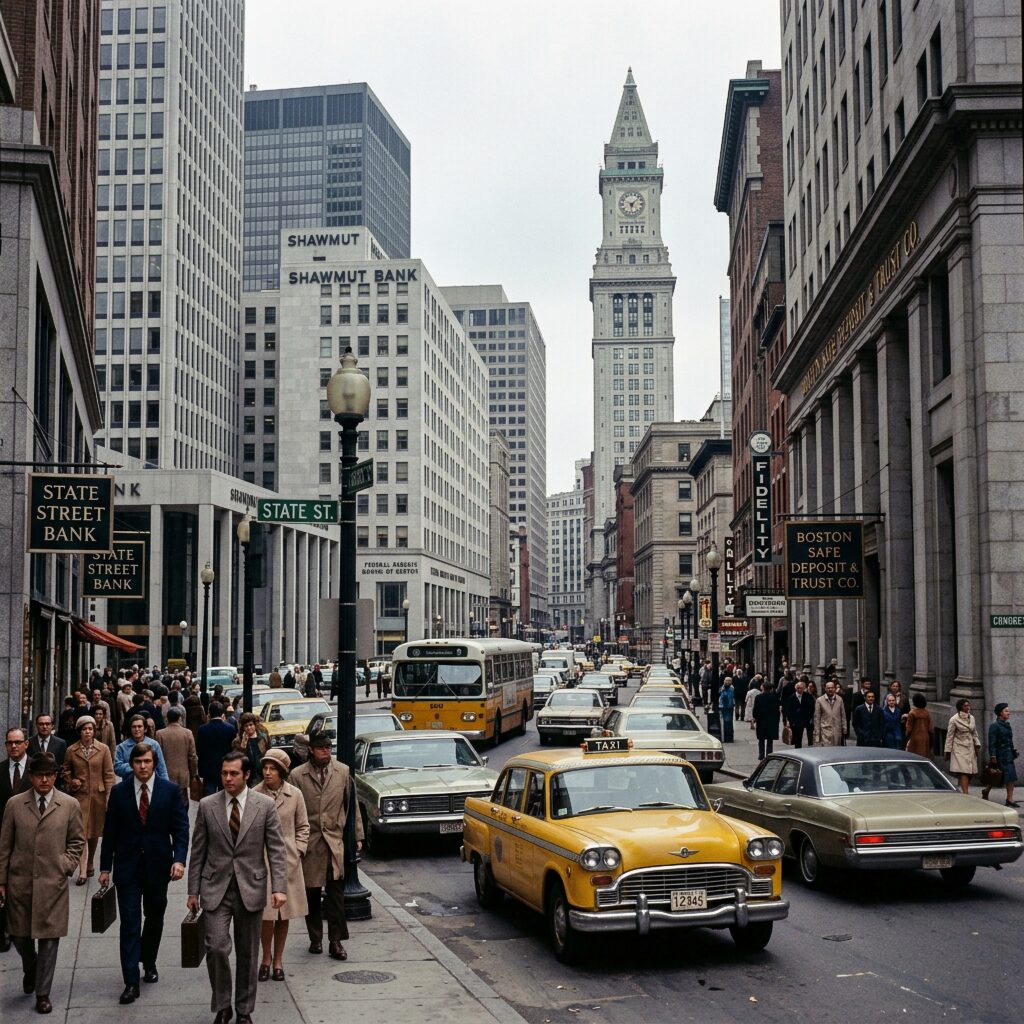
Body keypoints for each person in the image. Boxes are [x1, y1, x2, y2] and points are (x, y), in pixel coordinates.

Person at [187, 751, 288, 1024]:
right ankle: (223, 1005)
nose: (228, 778)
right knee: (217, 947)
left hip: (250, 888)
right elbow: (198, 851)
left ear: (246, 775)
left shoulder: (264, 805)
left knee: (248, 952)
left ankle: (244, 1010)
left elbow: (277, 849)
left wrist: (279, 887)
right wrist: (192, 891)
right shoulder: (208, 805)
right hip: (215, 888)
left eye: (233, 773)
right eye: (224, 773)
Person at [99, 744, 189, 1004]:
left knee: (155, 915)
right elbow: (110, 832)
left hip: (158, 866)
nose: (142, 766)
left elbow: (181, 829)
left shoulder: (169, 791)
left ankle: (148, 961)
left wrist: (179, 860)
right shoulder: (118, 792)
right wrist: (105, 867)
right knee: (129, 922)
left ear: (154, 762)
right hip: (127, 867)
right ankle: (130, 981)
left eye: (147, 761)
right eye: (138, 761)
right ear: (132, 764)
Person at [0, 752, 85, 1014]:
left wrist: (65, 866)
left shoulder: (69, 805)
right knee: (20, 937)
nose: (44, 780)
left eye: (49, 775)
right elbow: (4, 846)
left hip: (52, 884)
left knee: (49, 939)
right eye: (39, 775)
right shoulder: (15, 804)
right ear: (31, 777)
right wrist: (2, 881)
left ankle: (43, 993)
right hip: (20, 883)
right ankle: (31, 966)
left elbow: (77, 841)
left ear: (56, 776)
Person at [290, 731, 363, 961]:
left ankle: (336, 941)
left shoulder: (342, 771)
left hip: (333, 842)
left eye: (329, 748)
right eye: (321, 748)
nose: (326, 752)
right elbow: (291, 810)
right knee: (311, 893)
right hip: (309, 843)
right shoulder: (297, 776)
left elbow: (351, 806)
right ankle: (315, 938)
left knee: (335, 894)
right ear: (311, 749)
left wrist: (357, 835)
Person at [253, 749, 309, 981]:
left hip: (288, 862)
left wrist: (298, 850)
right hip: (261, 862)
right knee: (267, 915)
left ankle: (279, 960)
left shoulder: (295, 794)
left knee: (283, 915)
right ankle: (266, 958)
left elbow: (303, 826)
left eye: (273, 769)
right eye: (265, 768)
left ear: (282, 772)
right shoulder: (254, 794)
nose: (267, 772)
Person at [61, 717, 116, 884]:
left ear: (94, 731)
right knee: (81, 833)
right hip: (79, 797)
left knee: (94, 834)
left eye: (90, 729)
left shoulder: (103, 749)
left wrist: (109, 796)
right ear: (80, 731)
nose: (88, 732)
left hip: (98, 797)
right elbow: (64, 770)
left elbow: (108, 774)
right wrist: (71, 781)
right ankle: (83, 871)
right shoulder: (71, 750)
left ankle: (91, 860)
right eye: (84, 729)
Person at [157, 706, 199, 808]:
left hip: (166, 774)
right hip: (183, 773)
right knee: (183, 801)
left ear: (167, 718)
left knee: (168, 802)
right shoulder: (187, 733)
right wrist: (194, 773)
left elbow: (157, 756)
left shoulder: (160, 734)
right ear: (179, 718)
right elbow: (192, 756)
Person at [197, 703, 238, 796]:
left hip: (208, 768)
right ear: (222, 714)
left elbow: (199, 750)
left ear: (209, 714)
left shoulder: (202, 729)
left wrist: (200, 769)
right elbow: (233, 749)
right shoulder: (230, 729)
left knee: (209, 796)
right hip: (225, 766)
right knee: (225, 794)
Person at [114, 715, 170, 782]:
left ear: (145, 729)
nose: (137, 729)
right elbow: (117, 768)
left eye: (139, 726)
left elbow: (162, 769)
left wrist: (166, 787)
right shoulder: (122, 747)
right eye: (134, 727)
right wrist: (134, 766)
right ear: (130, 729)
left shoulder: (154, 745)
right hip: (130, 785)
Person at [944, 698, 982, 795]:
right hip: (959, 747)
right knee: (964, 771)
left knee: (970, 772)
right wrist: (947, 751)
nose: (968, 707)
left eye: (968, 705)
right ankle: (965, 793)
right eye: (965, 705)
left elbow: (974, 732)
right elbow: (949, 736)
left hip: (970, 747)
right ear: (960, 707)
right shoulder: (954, 719)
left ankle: (960, 790)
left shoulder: (972, 718)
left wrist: (977, 744)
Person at [984, 703, 1018, 807]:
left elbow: (1010, 741)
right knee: (997, 776)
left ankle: (1010, 799)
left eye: (1008, 711)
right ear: (1000, 713)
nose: (1009, 713)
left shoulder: (1007, 726)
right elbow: (992, 742)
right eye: (1006, 711)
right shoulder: (994, 726)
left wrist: (1013, 751)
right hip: (1000, 755)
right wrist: (993, 756)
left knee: (1011, 777)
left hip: (1008, 755)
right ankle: (986, 790)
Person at [2, 727, 33, 820]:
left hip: (30, 823)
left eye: (18, 742)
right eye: (10, 743)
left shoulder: (37, 768)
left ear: (26, 744)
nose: (13, 746)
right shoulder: (1, 768)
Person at [233, 713, 270, 784]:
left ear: (255, 725)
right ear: (243, 727)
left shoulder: (263, 737)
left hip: (262, 773)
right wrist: (243, 744)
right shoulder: (237, 741)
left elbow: (269, 752)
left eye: (251, 725)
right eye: (246, 726)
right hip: (248, 776)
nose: (249, 728)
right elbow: (236, 759)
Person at [751, 681, 780, 760]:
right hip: (771, 721)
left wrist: (755, 718)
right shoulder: (774, 697)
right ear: (771, 689)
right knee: (770, 739)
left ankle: (761, 754)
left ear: (763, 688)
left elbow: (755, 709)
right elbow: (777, 710)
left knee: (761, 739)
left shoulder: (758, 697)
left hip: (761, 720)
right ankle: (769, 754)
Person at [813, 680, 848, 746]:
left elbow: (843, 715)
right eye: (828, 688)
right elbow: (817, 718)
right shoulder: (819, 700)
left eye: (832, 688)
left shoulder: (840, 699)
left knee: (837, 751)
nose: (830, 689)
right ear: (825, 689)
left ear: (835, 688)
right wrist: (817, 734)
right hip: (825, 731)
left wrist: (844, 727)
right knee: (827, 752)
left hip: (837, 731)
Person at [784, 680, 816, 748]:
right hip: (795, 721)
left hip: (806, 719)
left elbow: (811, 708)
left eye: (801, 688)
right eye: (798, 688)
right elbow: (788, 710)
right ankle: (798, 750)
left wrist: (809, 717)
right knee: (797, 739)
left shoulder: (807, 696)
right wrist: (789, 720)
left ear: (804, 688)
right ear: (795, 688)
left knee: (808, 736)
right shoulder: (791, 698)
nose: (799, 689)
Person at [718, 677, 735, 742]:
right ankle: (728, 737)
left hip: (725, 706)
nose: (727, 682)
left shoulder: (724, 688)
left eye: (728, 681)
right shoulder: (730, 688)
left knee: (726, 721)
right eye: (727, 680)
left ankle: (726, 736)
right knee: (728, 722)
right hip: (727, 706)